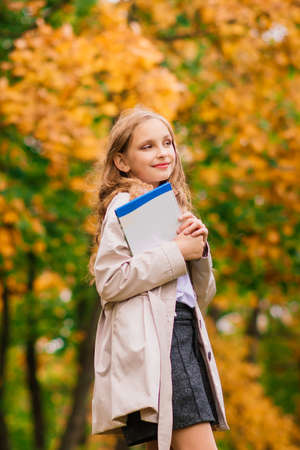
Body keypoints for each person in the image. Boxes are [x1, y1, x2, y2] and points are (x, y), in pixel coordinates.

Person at [90, 106, 230, 450]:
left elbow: (197, 296)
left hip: (181, 334)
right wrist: (177, 252)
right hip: (160, 345)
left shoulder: (173, 206)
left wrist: (199, 249)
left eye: (167, 142)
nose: (162, 152)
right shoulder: (124, 204)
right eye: (147, 146)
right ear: (122, 161)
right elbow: (109, 281)